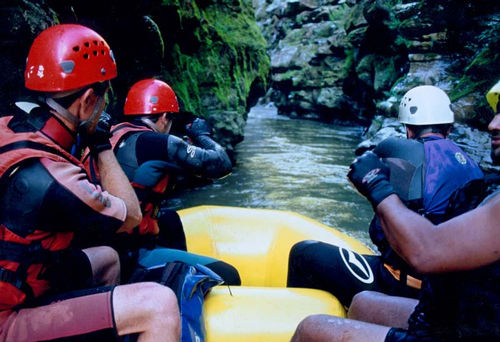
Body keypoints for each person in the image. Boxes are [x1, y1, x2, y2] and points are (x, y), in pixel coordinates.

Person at [0, 24, 180, 341]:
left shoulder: (9, 128)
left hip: (17, 283)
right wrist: (100, 144)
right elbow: (133, 216)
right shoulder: (55, 177)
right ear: (86, 101)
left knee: (107, 258)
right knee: (160, 304)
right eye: (104, 96)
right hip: (6, 319)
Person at [289, 79, 500, 342]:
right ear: (449, 125)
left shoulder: (398, 149)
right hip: (458, 305)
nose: (493, 124)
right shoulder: (473, 166)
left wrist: (376, 184)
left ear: (408, 128)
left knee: (303, 254)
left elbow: (397, 237)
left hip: (403, 280)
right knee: (363, 303)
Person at [82, 78, 240, 285]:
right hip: (128, 252)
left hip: (101, 243)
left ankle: (175, 272)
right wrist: (202, 135)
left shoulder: (109, 134)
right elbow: (221, 164)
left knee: (170, 220)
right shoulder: (156, 142)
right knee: (228, 274)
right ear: (165, 117)